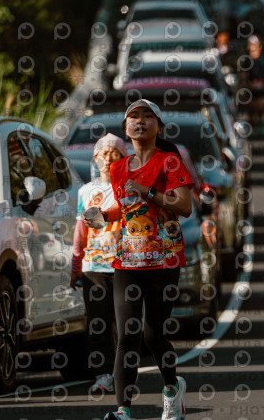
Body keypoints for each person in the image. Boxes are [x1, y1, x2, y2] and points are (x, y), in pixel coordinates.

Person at [88, 100, 194, 420]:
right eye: (133, 116)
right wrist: (103, 215)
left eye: (148, 116)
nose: (140, 121)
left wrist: (147, 190)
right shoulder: (118, 168)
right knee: (127, 335)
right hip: (127, 261)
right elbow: (128, 208)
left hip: (164, 260)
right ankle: (123, 411)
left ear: (159, 127)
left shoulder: (169, 162)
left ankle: (172, 389)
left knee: (153, 335)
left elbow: (185, 206)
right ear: (126, 128)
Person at [71, 133, 127, 394]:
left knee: (125, 323)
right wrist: (75, 264)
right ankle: (103, 374)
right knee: (98, 323)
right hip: (94, 267)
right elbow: (80, 231)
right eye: (103, 154)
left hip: (125, 265)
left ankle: (124, 371)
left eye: (114, 154)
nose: (108, 159)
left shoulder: (128, 189)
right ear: (95, 158)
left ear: (123, 158)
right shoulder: (86, 191)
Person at [239, 35, 264, 135]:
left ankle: (259, 124)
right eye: (254, 45)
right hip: (250, 88)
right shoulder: (246, 60)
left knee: (261, 106)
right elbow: (243, 74)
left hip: (261, 87)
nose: (257, 48)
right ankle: (252, 126)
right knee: (251, 108)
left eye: (258, 45)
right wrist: (247, 84)